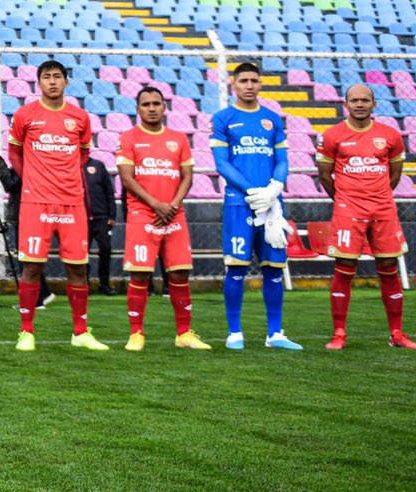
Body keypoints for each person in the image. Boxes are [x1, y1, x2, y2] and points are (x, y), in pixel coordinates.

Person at [8, 59, 107, 352]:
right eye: (47, 77)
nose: (52, 81)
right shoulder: (25, 115)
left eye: (57, 77)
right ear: (39, 83)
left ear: (66, 82)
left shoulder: (79, 117)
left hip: (71, 203)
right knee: (32, 267)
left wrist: (62, 179)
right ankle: (26, 331)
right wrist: (32, 180)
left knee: (77, 268)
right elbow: (14, 154)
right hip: (35, 203)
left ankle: (80, 331)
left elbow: (84, 155)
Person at [317, 85, 416, 351]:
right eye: (355, 100)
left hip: (383, 208)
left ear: (374, 104)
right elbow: (325, 176)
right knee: (344, 266)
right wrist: (345, 200)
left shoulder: (390, 135)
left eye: (365, 100)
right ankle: (339, 333)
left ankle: (397, 333)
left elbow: (395, 175)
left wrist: (378, 196)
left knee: (388, 264)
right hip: (348, 210)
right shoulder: (332, 135)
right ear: (346, 103)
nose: (360, 104)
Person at [209, 61, 301, 350]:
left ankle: (275, 334)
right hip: (240, 203)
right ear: (233, 84)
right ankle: (234, 332)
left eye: (254, 80)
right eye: (243, 80)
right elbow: (221, 163)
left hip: (272, 204)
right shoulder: (223, 118)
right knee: (236, 268)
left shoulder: (273, 119)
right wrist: (252, 191)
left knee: (274, 268)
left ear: (261, 84)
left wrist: (274, 187)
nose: (249, 85)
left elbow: (282, 160)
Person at [116, 85, 208, 351]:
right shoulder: (129, 138)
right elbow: (126, 178)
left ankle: (184, 334)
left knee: (180, 272)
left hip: (174, 213)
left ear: (164, 107)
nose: (152, 108)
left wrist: (172, 205)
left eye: (156, 103)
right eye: (146, 105)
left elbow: (187, 176)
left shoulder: (178, 139)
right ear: (138, 109)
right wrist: (157, 204)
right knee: (140, 274)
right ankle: (136, 333)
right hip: (143, 213)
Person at [83, 154, 117, 296]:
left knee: (106, 249)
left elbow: (109, 191)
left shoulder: (98, 165)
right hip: (81, 219)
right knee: (82, 254)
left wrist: (111, 215)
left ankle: (104, 284)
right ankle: (84, 284)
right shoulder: (69, 166)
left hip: (101, 218)